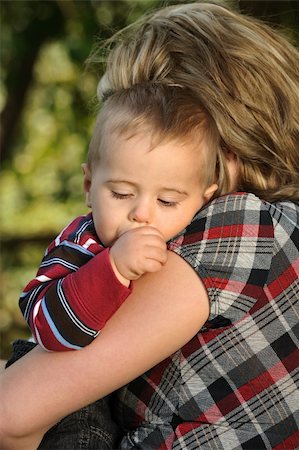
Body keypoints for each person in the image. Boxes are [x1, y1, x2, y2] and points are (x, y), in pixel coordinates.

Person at [1, 1, 299, 449]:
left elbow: (12, 414)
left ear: (230, 140)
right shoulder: (280, 225)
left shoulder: (238, 225)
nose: (143, 212)